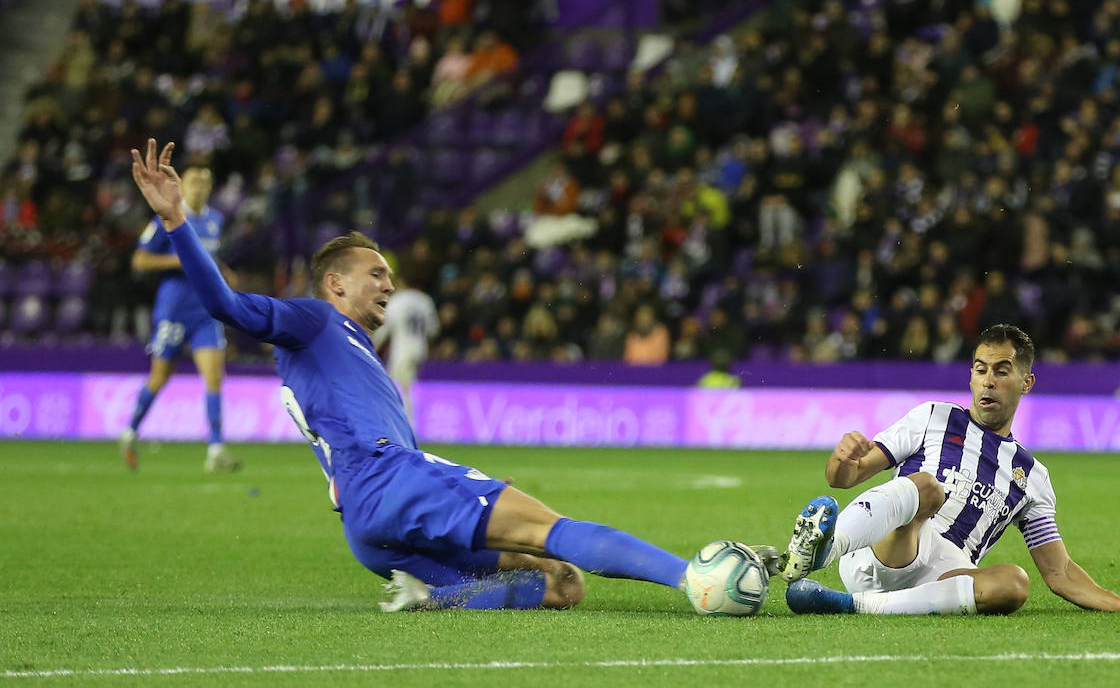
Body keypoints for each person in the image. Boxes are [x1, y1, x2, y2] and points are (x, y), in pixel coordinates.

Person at [129, 138, 759, 612]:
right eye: (376, 273)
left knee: (558, 584)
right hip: (389, 484)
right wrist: (178, 222)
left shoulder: (341, 350)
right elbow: (226, 306)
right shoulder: (313, 320)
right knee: (555, 530)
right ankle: (693, 576)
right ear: (335, 281)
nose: (389, 284)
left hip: (366, 524)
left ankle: (427, 596)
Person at [778, 324, 1120, 617]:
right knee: (927, 488)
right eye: (980, 370)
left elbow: (1058, 571)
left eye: (1001, 371)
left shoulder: (1032, 476)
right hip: (885, 549)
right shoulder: (933, 417)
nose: (988, 382)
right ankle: (822, 552)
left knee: (1014, 583)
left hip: (942, 578)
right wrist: (843, 459)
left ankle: (853, 606)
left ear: (1026, 382)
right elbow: (844, 479)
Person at [118, 163, 241, 473]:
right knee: (160, 377)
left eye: (205, 182)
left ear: (210, 188)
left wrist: (223, 272)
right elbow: (139, 260)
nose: (199, 187)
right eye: (193, 181)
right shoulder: (167, 217)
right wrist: (176, 260)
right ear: (182, 186)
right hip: (173, 311)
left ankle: (216, 449)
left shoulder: (216, 220)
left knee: (214, 378)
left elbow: (207, 257)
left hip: (206, 312)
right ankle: (130, 430)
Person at [370, 275, 439, 424]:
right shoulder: (425, 300)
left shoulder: (397, 300)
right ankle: (407, 424)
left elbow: (385, 329)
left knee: (400, 389)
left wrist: (371, 345)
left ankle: (407, 426)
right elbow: (433, 329)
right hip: (421, 348)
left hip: (402, 350)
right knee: (408, 385)